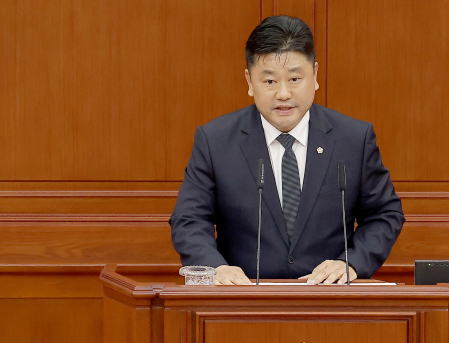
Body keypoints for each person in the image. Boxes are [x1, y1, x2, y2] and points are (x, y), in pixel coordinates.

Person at [170, 15, 405, 285]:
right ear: (249, 81)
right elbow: (189, 219)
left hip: (329, 297)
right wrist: (215, 269)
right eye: (270, 81)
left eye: (294, 79)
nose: (283, 94)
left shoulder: (353, 139)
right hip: (243, 298)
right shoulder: (215, 141)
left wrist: (351, 263)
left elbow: (385, 215)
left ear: (314, 76)